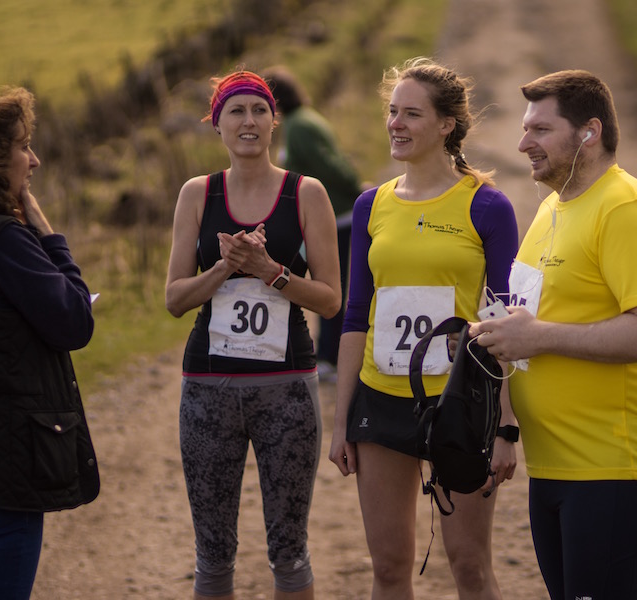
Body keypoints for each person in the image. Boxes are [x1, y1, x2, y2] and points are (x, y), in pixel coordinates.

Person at [473, 70, 637, 600]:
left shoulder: (627, 209)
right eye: (525, 130)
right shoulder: (550, 208)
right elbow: (529, 322)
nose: (523, 144)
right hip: (555, 464)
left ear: (589, 132)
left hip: (613, 466)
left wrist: (540, 337)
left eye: (540, 130)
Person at [328, 57, 520, 599]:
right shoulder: (372, 205)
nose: (396, 124)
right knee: (388, 567)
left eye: (412, 114)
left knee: (469, 565)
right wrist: (340, 422)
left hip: (459, 403)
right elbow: (354, 318)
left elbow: (504, 319)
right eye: (392, 112)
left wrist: (505, 426)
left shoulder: (487, 205)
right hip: (381, 401)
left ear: (445, 125)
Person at [165, 69, 341, 600]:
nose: (249, 121)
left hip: (286, 387)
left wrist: (272, 271)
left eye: (259, 111)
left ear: (274, 121)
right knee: (212, 555)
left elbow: (332, 299)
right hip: (208, 387)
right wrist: (224, 268)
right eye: (236, 112)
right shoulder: (197, 193)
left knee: (289, 551)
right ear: (217, 125)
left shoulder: (305, 193)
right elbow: (174, 299)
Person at [0, 87, 100, 599]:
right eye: (22, 146)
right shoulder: (4, 240)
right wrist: (45, 231)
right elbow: (73, 320)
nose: (33, 160)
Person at [261, 66, 366, 379]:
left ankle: (329, 358)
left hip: (337, 216)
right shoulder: (299, 122)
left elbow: (330, 166)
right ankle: (320, 354)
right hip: (326, 216)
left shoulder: (300, 126)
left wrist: (355, 188)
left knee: (330, 288)